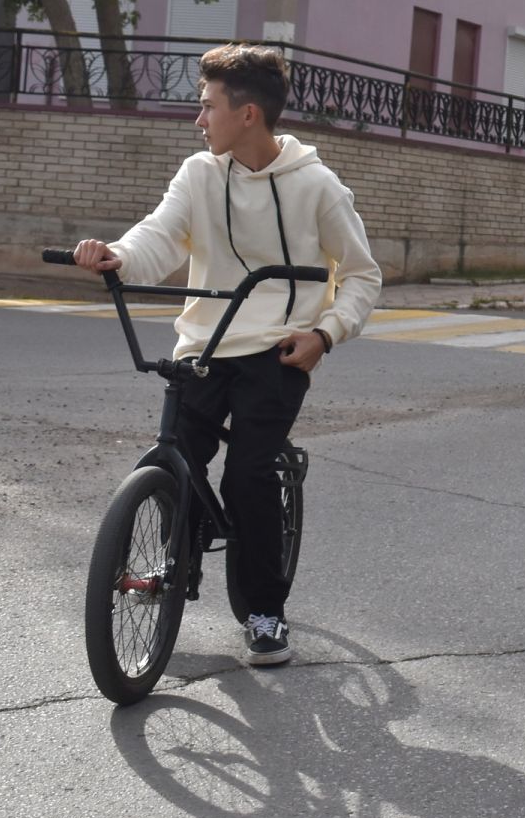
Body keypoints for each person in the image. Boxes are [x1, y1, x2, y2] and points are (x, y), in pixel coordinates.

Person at [72, 44, 381, 666]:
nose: (198, 118)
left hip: (278, 350)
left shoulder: (318, 187)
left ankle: (265, 612)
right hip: (204, 346)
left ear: (248, 115)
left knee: (247, 477)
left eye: (207, 105)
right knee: (178, 459)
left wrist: (324, 334)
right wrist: (118, 255)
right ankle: (170, 571)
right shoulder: (198, 173)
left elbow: (362, 275)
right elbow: (161, 233)